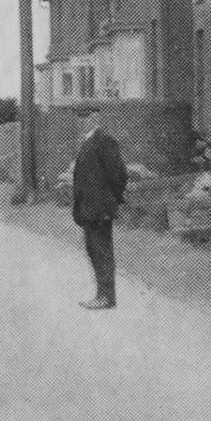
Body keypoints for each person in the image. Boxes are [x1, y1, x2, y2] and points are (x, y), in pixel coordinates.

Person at [70, 111, 128, 310]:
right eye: (79, 116)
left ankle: (107, 297)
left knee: (101, 251)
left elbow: (119, 173)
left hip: (99, 208)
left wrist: (112, 199)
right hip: (89, 209)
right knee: (94, 250)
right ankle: (102, 295)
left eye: (85, 115)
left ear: (95, 118)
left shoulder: (103, 141)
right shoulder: (87, 142)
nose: (80, 120)